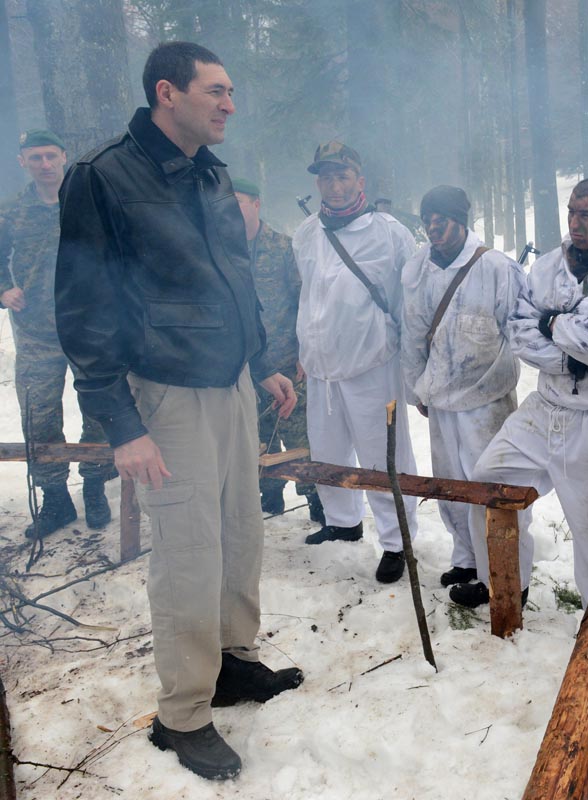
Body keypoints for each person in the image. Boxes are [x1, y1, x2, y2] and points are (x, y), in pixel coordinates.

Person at [55, 42, 303, 780]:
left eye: (231, 92)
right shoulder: (103, 176)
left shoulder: (211, 172)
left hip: (229, 382)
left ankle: (231, 660)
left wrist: (260, 361)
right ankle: (184, 713)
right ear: (168, 92)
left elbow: (234, 277)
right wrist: (120, 423)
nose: (230, 105)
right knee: (188, 552)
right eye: (216, 91)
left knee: (238, 532)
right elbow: (84, 309)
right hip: (165, 390)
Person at [451, 176, 588, 608]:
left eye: (585, 214)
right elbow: (519, 331)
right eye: (571, 212)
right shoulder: (549, 265)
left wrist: (552, 323)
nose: (574, 222)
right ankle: (506, 583)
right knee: (491, 480)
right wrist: (572, 360)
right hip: (547, 403)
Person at [291, 140, 419, 584]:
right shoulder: (307, 232)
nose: (334, 185)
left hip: (372, 363)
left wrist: (409, 363)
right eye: (326, 177)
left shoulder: (390, 233)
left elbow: (407, 303)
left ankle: (397, 540)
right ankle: (343, 521)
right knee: (328, 451)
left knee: (383, 457)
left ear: (360, 180)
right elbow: (309, 294)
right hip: (321, 367)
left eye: (342, 176)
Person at [401, 186, 523, 587]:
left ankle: (500, 572)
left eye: (441, 220)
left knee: (490, 485)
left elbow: (518, 330)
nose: (433, 229)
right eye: (427, 221)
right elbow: (413, 331)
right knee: (450, 485)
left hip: (487, 401)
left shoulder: (496, 268)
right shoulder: (419, 269)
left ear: (461, 221)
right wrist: (417, 387)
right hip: (440, 399)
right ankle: (467, 558)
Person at [0, 129, 117, 537]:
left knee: (99, 408)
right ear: (23, 163)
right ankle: (55, 499)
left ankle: (95, 485)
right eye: (36, 158)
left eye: (51, 156)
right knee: (39, 415)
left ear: (64, 156)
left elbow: (117, 249)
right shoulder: (12, 211)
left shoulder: (86, 201)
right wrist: (3, 288)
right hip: (36, 332)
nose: (45, 164)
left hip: (88, 327)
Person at [232, 177, 322, 523]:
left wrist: (304, 351)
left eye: (239, 202)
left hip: (285, 360)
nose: (232, 210)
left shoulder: (283, 248)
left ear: (256, 204)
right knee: (255, 435)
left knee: (299, 435)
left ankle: (315, 498)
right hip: (246, 366)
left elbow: (305, 302)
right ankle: (269, 494)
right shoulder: (223, 251)